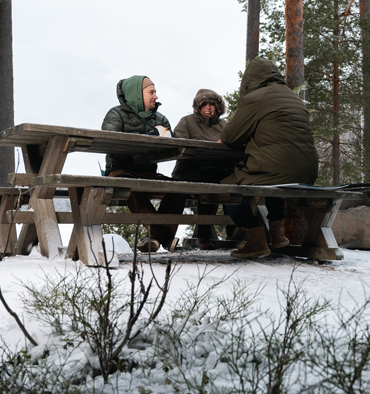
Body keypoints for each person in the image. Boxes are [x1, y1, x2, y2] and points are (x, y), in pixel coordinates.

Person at [220, 58, 319, 259]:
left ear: (250, 80)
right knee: (277, 179)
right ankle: (277, 234)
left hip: (274, 168)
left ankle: (256, 242)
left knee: (225, 189)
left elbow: (230, 137)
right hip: (307, 170)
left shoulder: (257, 98)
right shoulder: (294, 98)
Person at [102, 75, 186, 253]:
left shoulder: (160, 118)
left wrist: (170, 138)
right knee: (129, 185)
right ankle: (164, 236)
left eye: (155, 92)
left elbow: (172, 141)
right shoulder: (115, 114)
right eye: (151, 92)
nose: (156, 96)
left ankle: (154, 237)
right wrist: (150, 136)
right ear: (137, 95)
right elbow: (109, 140)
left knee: (180, 188)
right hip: (120, 170)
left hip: (147, 172)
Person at [171, 89, 230, 250]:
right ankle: (203, 236)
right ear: (198, 106)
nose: (208, 108)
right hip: (188, 171)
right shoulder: (187, 122)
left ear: (218, 107)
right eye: (204, 104)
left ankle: (235, 233)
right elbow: (178, 146)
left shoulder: (224, 125)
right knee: (211, 179)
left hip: (217, 170)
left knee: (232, 178)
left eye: (212, 104)